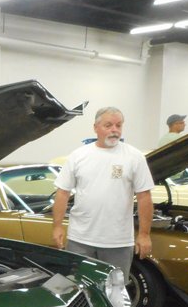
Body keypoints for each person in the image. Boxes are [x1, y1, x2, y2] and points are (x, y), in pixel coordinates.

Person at [52, 107, 154, 285]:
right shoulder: (78, 156)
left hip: (119, 242)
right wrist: (57, 226)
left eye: (118, 125)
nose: (115, 130)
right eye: (108, 125)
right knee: (78, 288)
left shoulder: (134, 157)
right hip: (80, 239)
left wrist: (144, 234)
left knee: (114, 291)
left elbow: (144, 196)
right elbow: (62, 192)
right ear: (96, 127)